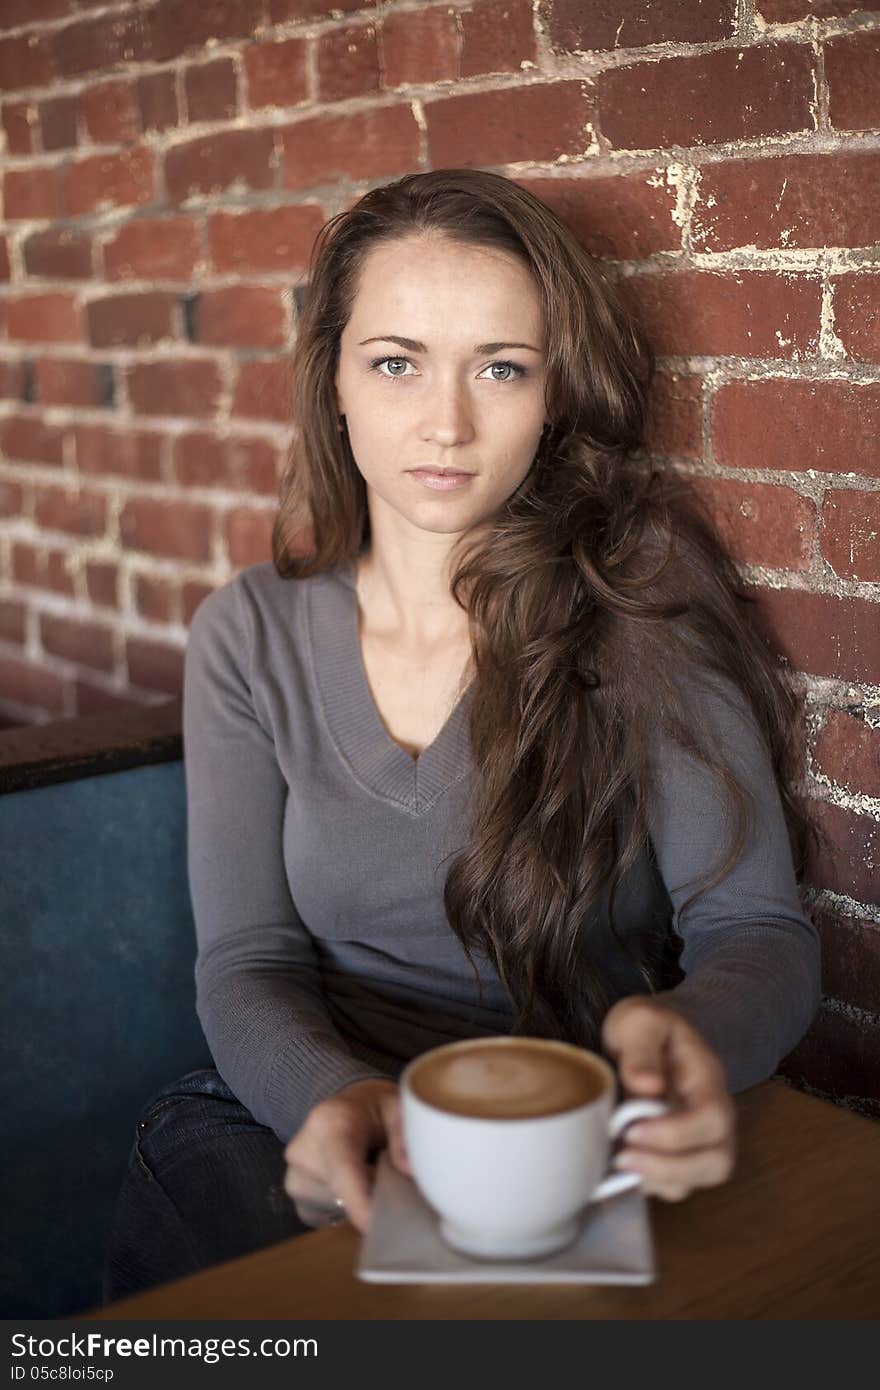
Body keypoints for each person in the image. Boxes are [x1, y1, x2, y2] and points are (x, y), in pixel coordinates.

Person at [103, 168, 822, 1300]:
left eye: (501, 367)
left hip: (568, 1139)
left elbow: (757, 932)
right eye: (396, 362)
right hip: (311, 1118)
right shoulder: (248, 632)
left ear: (552, 395)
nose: (445, 423)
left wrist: (691, 1044)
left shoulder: (639, 599)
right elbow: (246, 961)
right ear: (333, 380)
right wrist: (332, 1095)